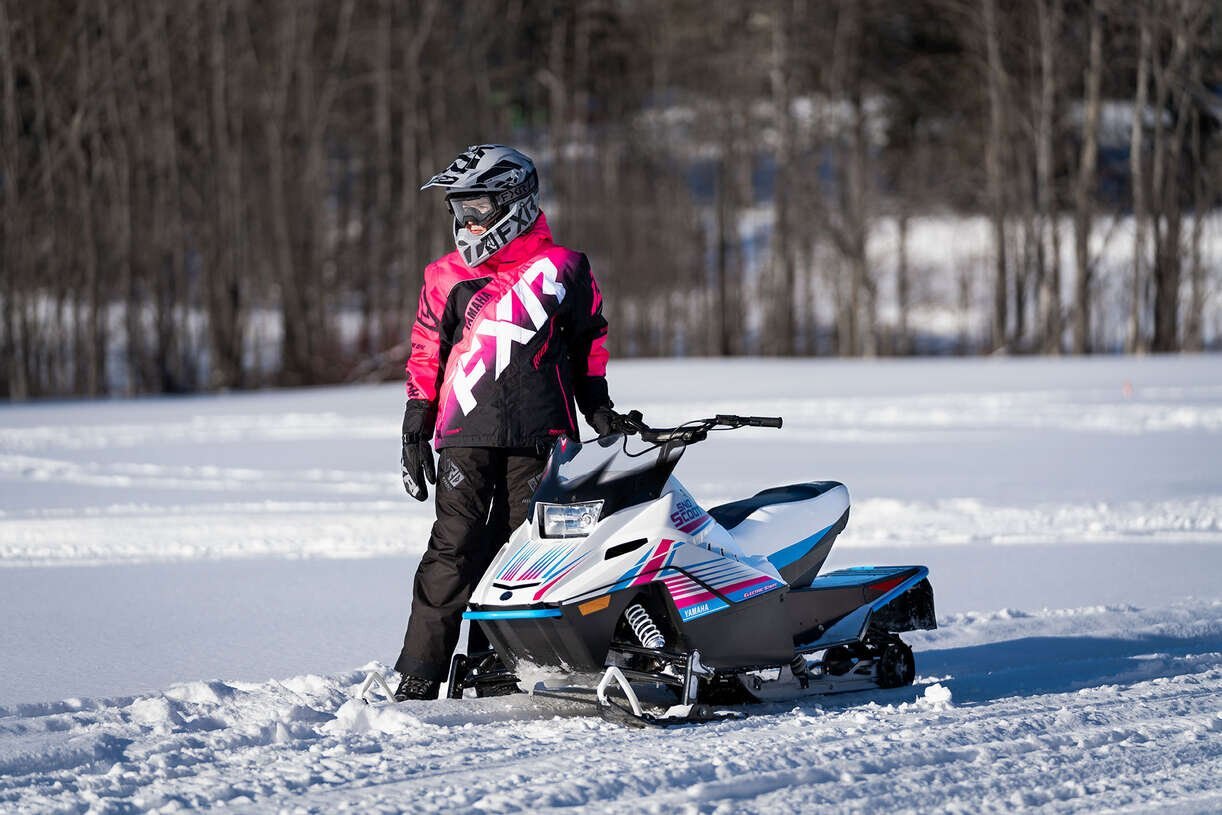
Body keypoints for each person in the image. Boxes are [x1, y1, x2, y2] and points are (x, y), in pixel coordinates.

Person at [393, 144, 625, 701]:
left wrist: (599, 409)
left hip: (542, 434)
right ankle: (420, 671)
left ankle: (496, 666)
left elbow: (590, 343)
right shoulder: (443, 276)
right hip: (463, 434)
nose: (468, 221)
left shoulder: (564, 268)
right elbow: (428, 351)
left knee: (526, 553)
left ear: (515, 201)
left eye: (479, 207)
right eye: (460, 209)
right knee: (453, 549)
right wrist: (414, 423)